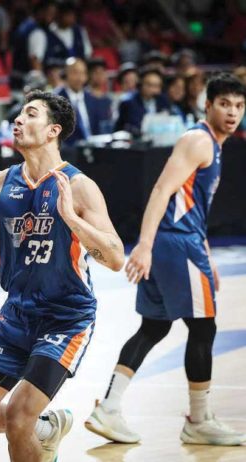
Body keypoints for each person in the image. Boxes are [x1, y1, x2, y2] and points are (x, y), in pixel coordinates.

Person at [0, 90, 125, 462]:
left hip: (65, 317)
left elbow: (114, 258)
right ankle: (45, 427)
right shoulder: (2, 182)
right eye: (17, 114)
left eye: (30, 114)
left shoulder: (78, 186)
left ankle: (31, 427)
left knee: (17, 419)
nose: (18, 120)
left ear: (53, 131)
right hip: (15, 315)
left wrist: (73, 219)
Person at [85, 73, 246, 446]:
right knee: (204, 329)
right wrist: (143, 245)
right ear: (208, 106)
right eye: (224, 104)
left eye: (239, 106)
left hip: (179, 243)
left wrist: (205, 252)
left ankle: (108, 408)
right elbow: (161, 189)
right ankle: (200, 420)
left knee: (154, 328)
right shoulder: (198, 140)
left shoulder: (213, 145)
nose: (232, 112)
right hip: (174, 245)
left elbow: (189, 206)